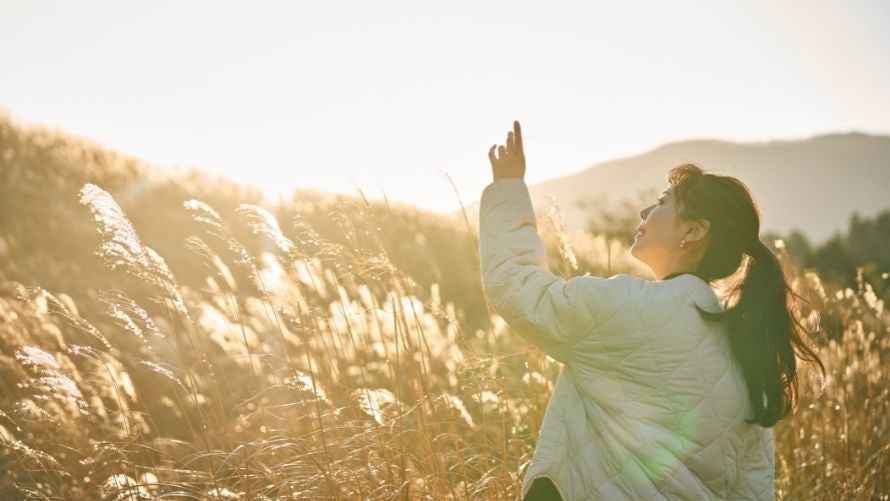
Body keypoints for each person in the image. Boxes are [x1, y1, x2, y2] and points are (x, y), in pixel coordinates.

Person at [479, 121, 825, 500]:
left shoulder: (634, 307)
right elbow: (753, 488)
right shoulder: (746, 349)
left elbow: (516, 288)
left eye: (661, 203)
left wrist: (508, 188)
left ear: (693, 232)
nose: (644, 210)